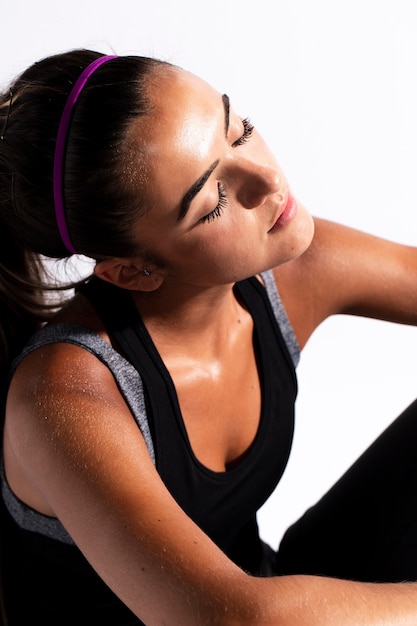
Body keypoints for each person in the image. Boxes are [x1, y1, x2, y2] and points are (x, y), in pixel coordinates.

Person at [1, 48, 417, 626]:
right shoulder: (64, 395)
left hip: (272, 595)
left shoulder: (289, 267)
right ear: (133, 270)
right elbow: (228, 620)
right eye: (213, 199)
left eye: (237, 130)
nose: (267, 179)